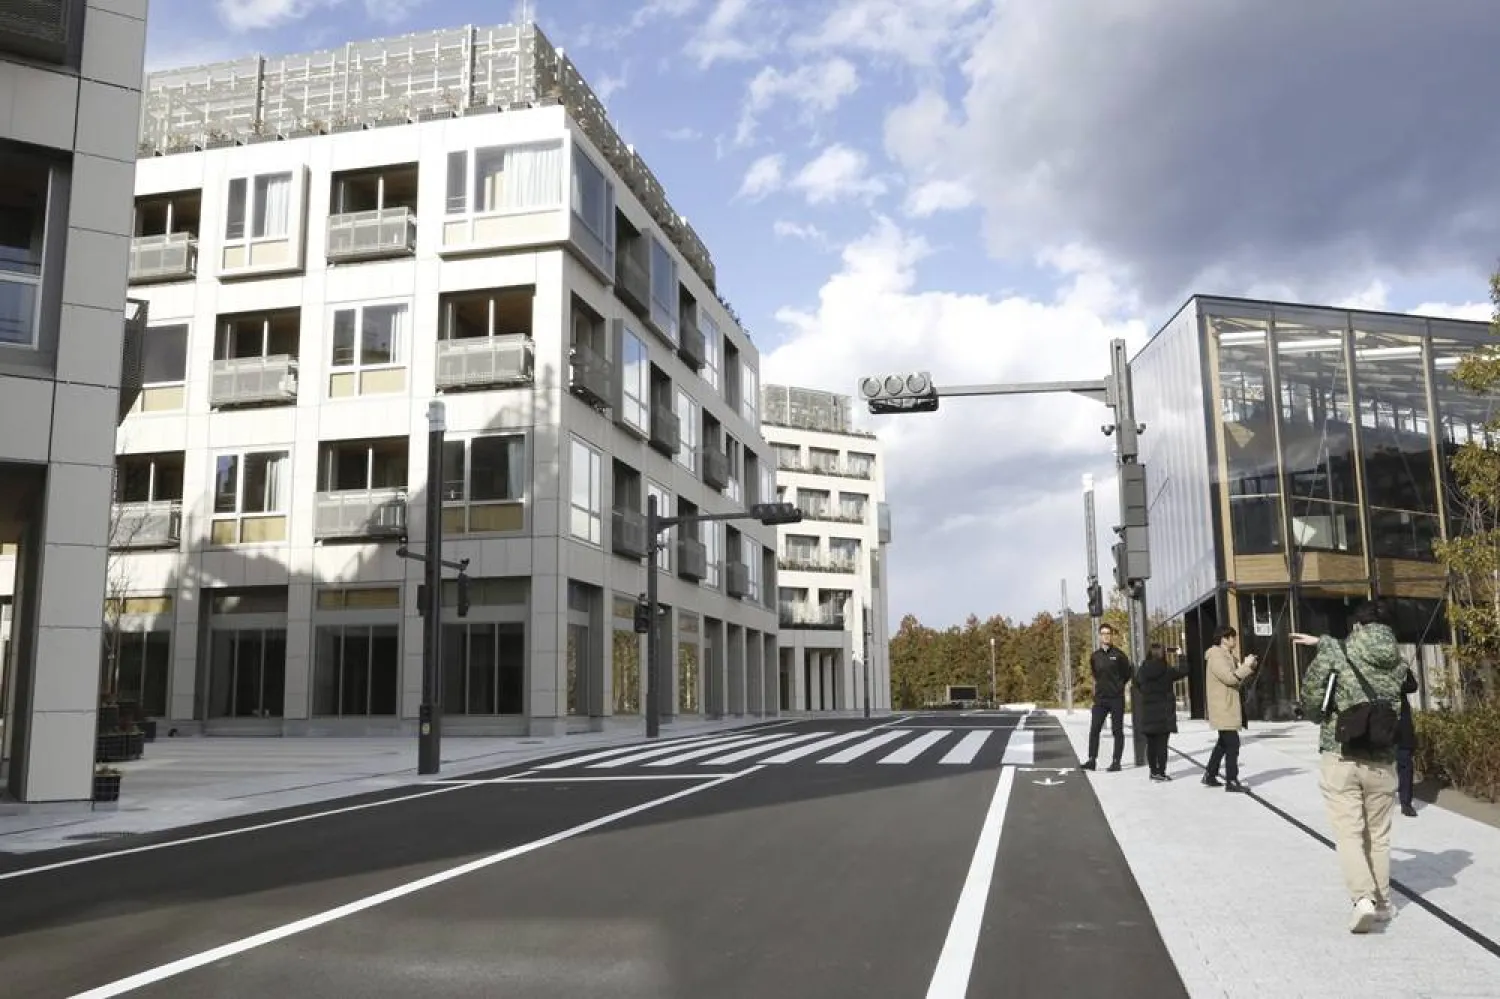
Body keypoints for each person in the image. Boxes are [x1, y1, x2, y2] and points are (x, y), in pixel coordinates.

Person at [1294, 600, 1409, 933]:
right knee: (1379, 836)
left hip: (1341, 753)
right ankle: (1384, 902)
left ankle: (1362, 900)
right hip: (1383, 759)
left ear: (1358, 626)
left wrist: (1319, 716)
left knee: (1349, 833)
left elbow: (1312, 697)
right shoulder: (1398, 662)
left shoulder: (1338, 653)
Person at [1203, 625, 1257, 792]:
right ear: (1223, 639)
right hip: (1223, 706)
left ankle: (1210, 774)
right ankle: (1231, 781)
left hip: (1228, 705)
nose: (1235, 640)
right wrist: (1246, 666)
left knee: (1223, 744)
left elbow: (1238, 680)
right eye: (1232, 637)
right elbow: (1230, 678)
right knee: (1232, 744)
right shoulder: (1216, 656)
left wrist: (1249, 666)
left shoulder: (1228, 656)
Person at [1082, 622, 1134, 772]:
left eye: (1108, 633)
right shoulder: (1095, 656)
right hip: (1100, 699)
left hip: (1116, 698)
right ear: (1099, 636)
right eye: (1103, 633)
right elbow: (1096, 674)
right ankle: (1092, 760)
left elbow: (1127, 673)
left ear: (1111, 636)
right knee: (1094, 729)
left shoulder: (1119, 655)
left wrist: (1118, 686)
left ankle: (1116, 762)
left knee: (1117, 731)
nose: (1105, 636)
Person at [1135, 643, 1190, 781]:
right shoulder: (1167, 670)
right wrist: (1180, 655)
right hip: (1164, 713)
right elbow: (1184, 670)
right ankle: (1161, 772)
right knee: (1162, 745)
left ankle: (1153, 771)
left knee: (1151, 744)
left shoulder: (1142, 670)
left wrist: (1146, 693)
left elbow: (1136, 683)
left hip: (1148, 712)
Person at [1396, 670, 1419, 818]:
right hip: (1379, 724)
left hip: (1402, 726)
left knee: (1405, 763)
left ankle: (1406, 802)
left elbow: (1412, 686)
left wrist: (1406, 670)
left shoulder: (1399, 673)